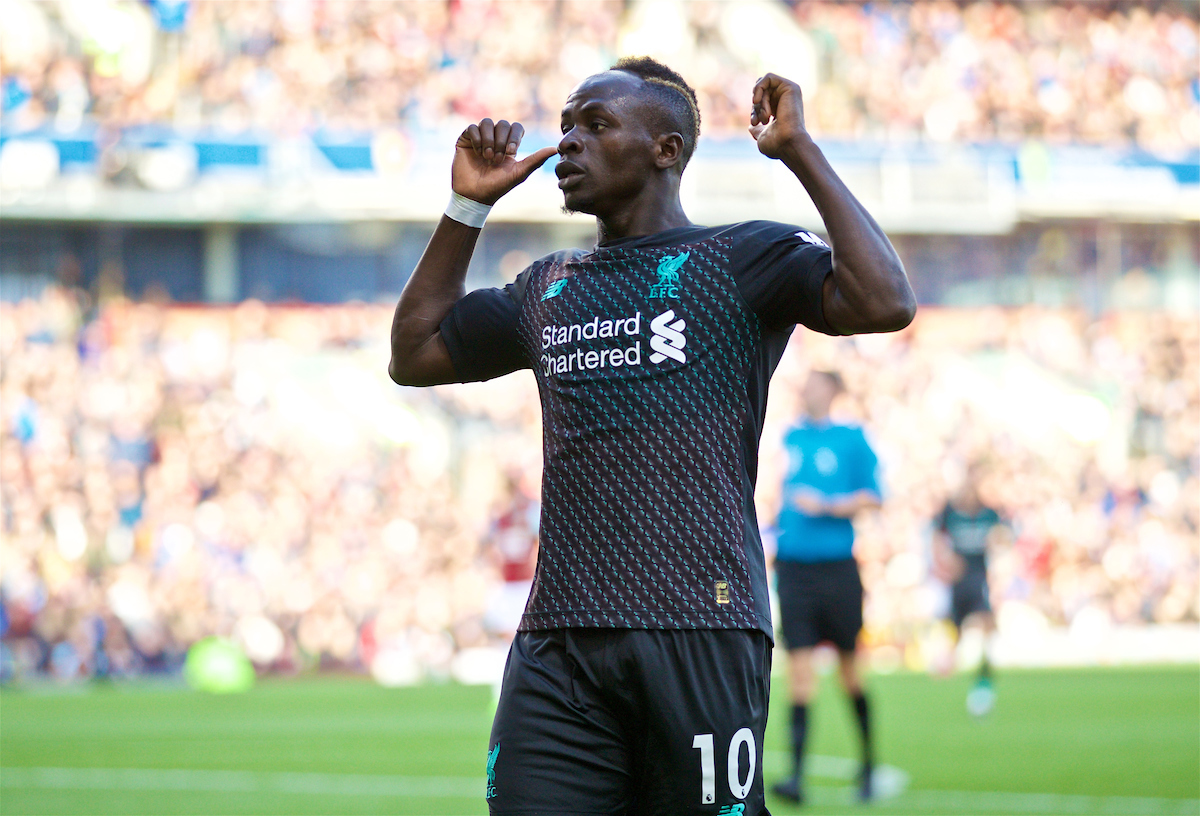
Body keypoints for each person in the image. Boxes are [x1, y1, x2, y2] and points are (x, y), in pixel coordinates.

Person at [388, 56, 914, 814]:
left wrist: (799, 151)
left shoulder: (739, 258)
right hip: (558, 647)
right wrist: (465, 209)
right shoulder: (548, 287)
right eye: (566, 125)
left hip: (699, 628)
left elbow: (885, 301)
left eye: (595, 125)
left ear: (667, 150)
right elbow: (414, 354)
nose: (568, 141)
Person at [771, 370, 882, 805]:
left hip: (837, 570)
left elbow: (874, 496)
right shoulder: (788, 438)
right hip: (794, 570)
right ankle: (796, 778)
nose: (806, 388)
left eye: (814, 382)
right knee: (798, 673)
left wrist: (829, 505)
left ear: (834, 390)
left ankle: (868, 765)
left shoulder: (852, 439)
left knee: (849, 671)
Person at [932, 464, 1005, 717]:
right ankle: (946, 664)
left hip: (979, 578)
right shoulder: (950, 511)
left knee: (987, 624)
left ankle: (983, 679)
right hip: (958, 581)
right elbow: (935, 538)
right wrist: (944, 560)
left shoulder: (990, 513)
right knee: (957, 631)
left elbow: (1002, 538)